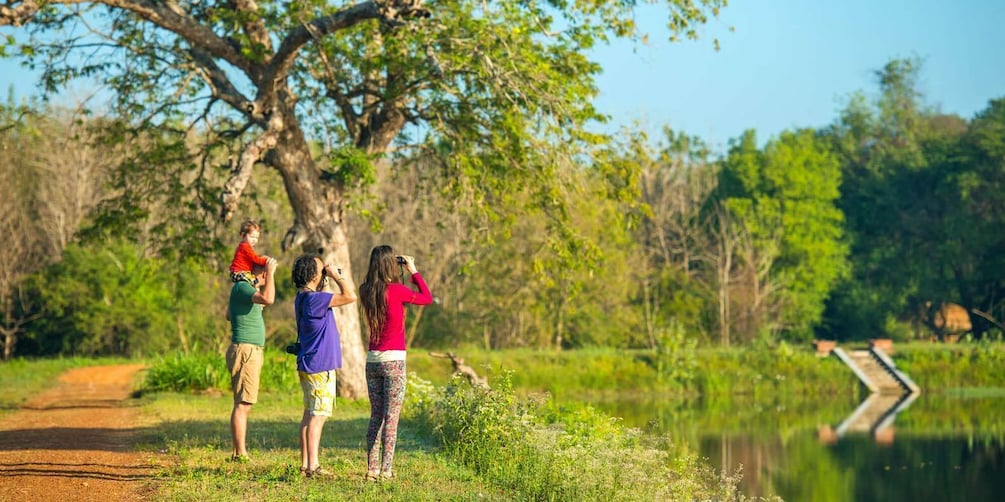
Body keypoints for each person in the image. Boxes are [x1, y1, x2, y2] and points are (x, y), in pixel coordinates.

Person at [359, 245, 433, 481]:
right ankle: (386, 470)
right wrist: (412, 270)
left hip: (372, 362)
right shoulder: (398, 290)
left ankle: (371, 470)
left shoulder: (365, 290)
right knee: (391, 419)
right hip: (394, 363)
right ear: (392, 264)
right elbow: (427, 298)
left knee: (376, 416)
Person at [291, 254, 357, 478]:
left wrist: (324, 280)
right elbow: (350, 296)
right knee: (318, 416)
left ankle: (305, 464)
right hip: (320, 365)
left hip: (308, 362)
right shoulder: (315, 300)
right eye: (321, 270)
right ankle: (313, 466)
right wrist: (337, 276)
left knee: (309, 414)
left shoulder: (302, 298)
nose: (324, 272)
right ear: (312, 274)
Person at [226, 257, 278, 462]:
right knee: (243, 403)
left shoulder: (245, 290)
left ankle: (239, 452)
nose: (267, 275)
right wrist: (271, 274)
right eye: (264, 271)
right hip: (246, 350)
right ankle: (240, 454)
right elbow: (269, 299)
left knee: (244, 402)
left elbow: (229, 314)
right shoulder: (242, 286)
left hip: (248, 349)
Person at [229, 220, 272, 285]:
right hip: (238, 273)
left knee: (254, 281)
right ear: (243, 235)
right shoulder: (245, 247)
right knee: (256, 282)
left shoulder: (244, 246)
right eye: (252, 237)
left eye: (256, 238)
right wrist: (267, 261)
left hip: (240, 273)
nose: (254, 240)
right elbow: (255, 259)